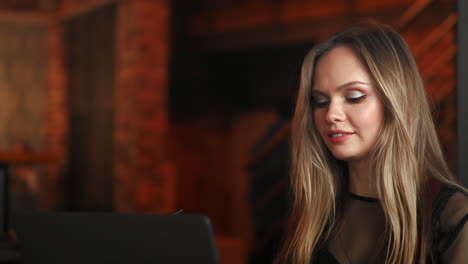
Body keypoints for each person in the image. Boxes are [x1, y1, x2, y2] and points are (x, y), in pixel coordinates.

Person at [275, 23, 468, 264]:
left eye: (354, 97)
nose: (331, 114)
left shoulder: (452, 214)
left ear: (397, 101)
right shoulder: (313, 215)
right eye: (320, 101)